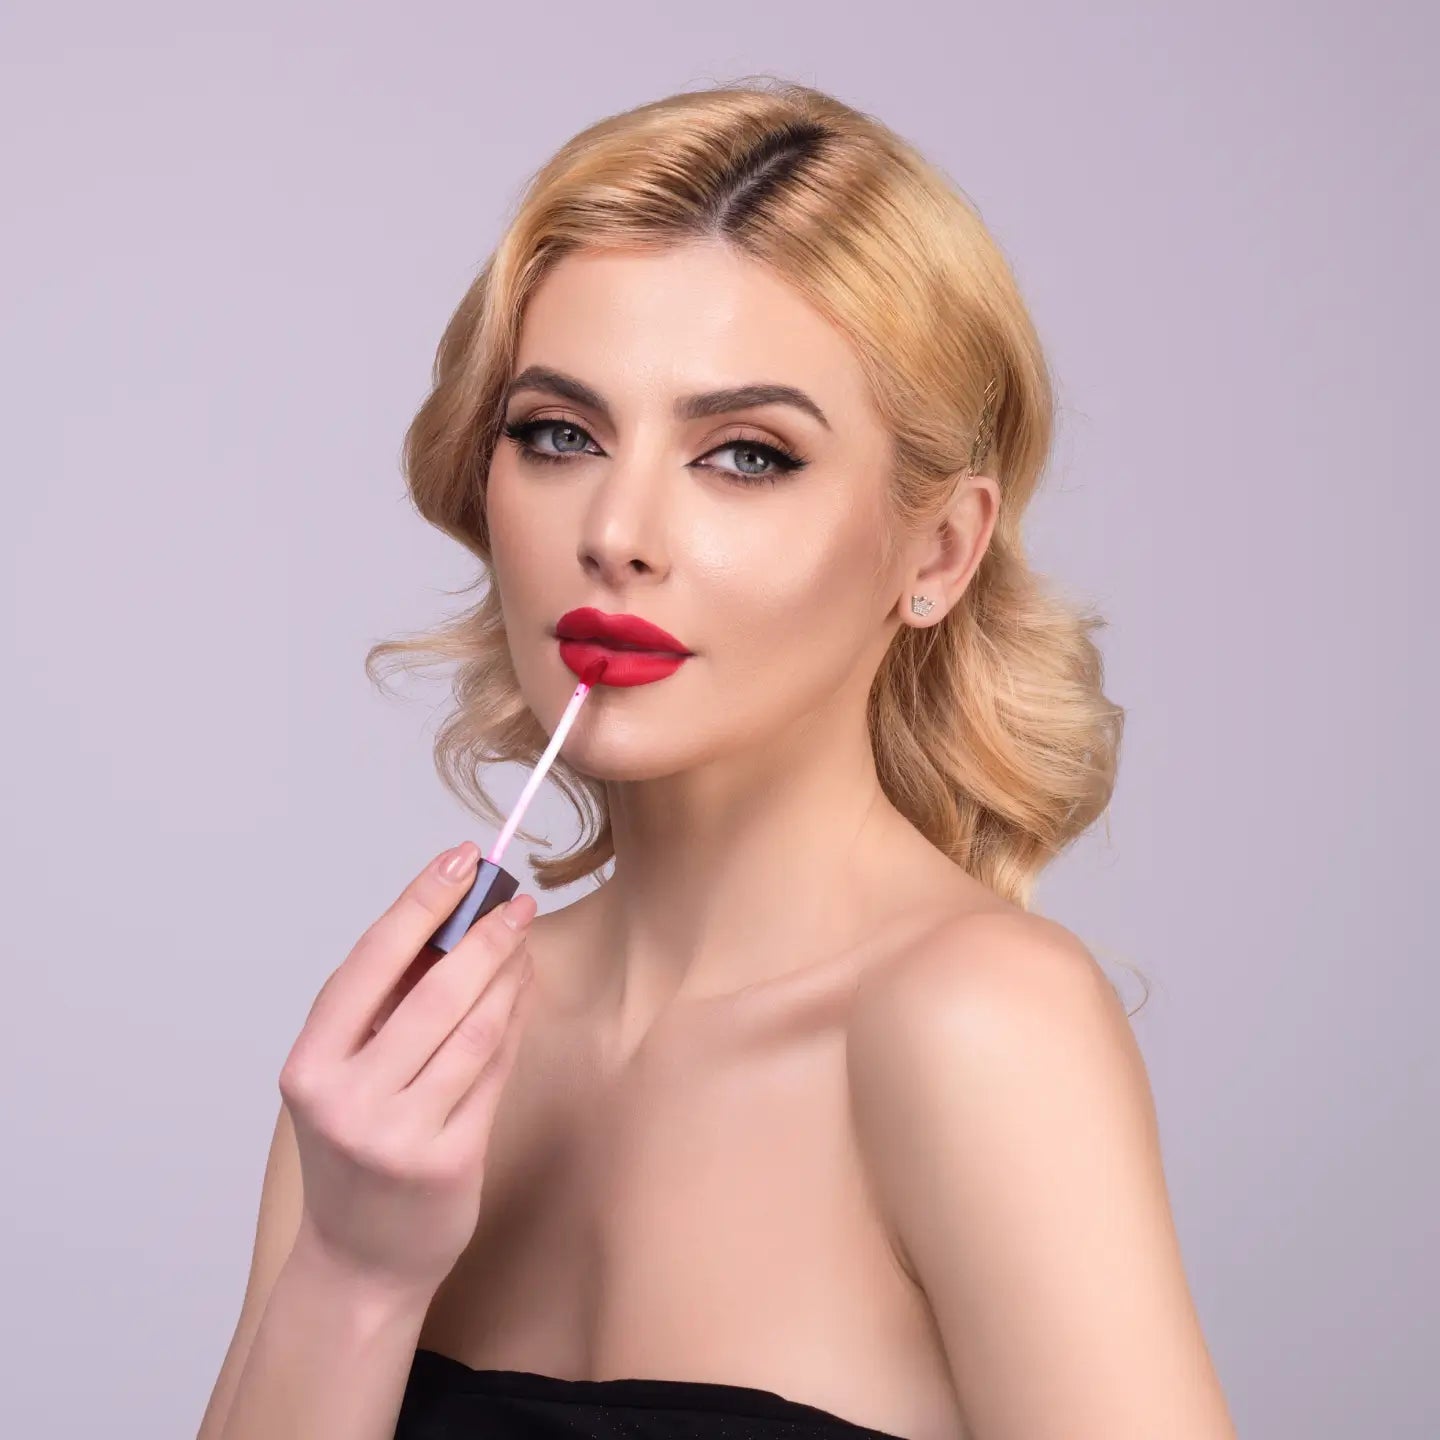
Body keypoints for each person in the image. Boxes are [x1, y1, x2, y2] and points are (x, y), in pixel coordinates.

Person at [197, 76, 1238, 1440]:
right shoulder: (400, 1061)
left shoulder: (979, 1026)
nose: (617, 532)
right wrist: (352, 1271)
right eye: (558, 435)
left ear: (938, 551)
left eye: (746, 456)